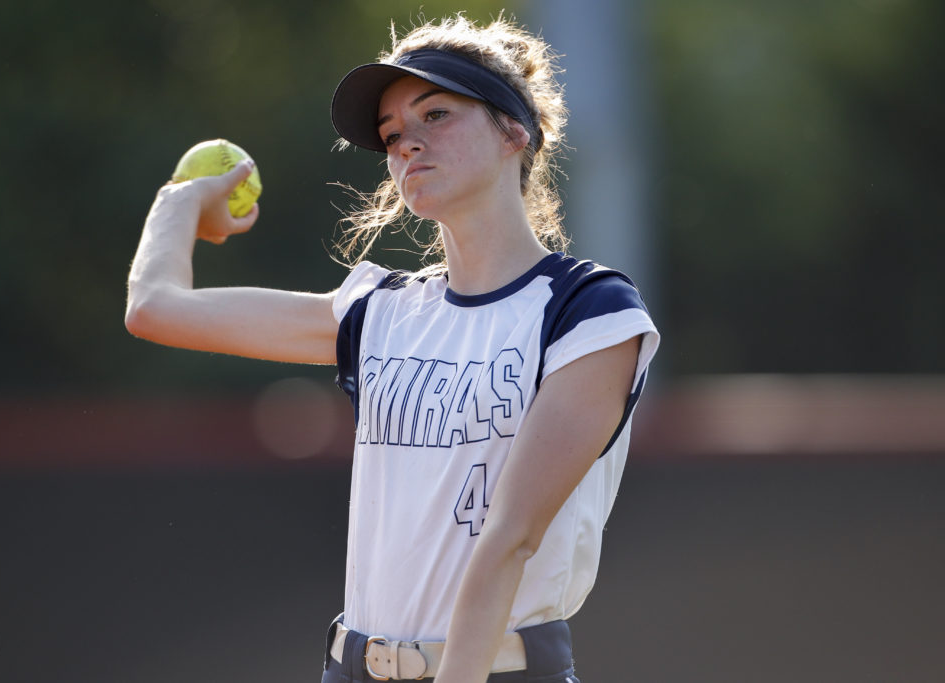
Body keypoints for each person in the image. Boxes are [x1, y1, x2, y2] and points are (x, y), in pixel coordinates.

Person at [126, 13, 659, 683]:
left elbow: (509, 539)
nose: (408, 142)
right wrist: (181, 201)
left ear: (513, 132)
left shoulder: (586, 309)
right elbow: (155, 309)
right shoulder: (377, 311)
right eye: (391, 134)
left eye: (436, 114)